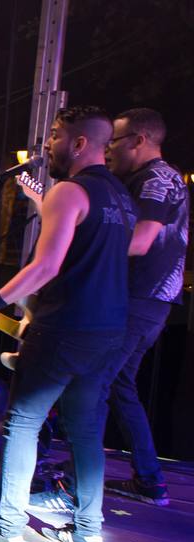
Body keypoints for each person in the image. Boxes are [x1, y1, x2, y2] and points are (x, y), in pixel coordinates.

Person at [0, 106, 134, 542]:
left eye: (54, 135)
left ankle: (7, 531)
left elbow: (46, 266)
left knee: (23, 423)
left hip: (64, 327)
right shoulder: (122, 199)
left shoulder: (70, 192)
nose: (46, 144)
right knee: (86, 430)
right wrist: (43, 205)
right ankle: (89, 532)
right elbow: (90, 251)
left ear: (78, 143)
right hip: (109, 330)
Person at [100, 108, 186, 507]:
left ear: (138, 140)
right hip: (155, 301)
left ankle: (74, 483)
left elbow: (140, 241)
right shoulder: (164, 178)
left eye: (114, 142)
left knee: (93, 382)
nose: (109, 150)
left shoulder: (154, 180)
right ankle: (150, 481)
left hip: (138, 297)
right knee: (118, 385)